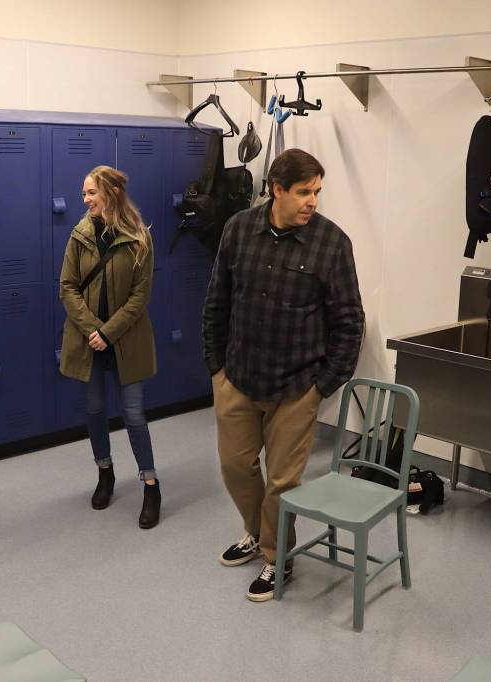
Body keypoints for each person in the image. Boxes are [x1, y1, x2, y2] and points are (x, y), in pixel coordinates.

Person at [203, 148, 365, 602]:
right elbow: (217, 303)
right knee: (235, 467)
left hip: (296, 387)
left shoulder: (332, 243)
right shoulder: (238, 230)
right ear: (276, 190)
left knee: (282, 482)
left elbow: (350, 322)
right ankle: (257, 532)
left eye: (317, 192)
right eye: (303, 192)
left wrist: (322, 387)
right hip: (238, 377)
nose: (312, 201)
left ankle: (278, 557)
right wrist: (216, 368)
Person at [59, 165, 161, 529]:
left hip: (125, 341)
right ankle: (105, 472)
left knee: (134, 416)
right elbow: (67, 287)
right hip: (90, 342)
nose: (85, 199)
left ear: (112, 194)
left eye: (92, 193)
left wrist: (109, 332)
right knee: (95, 411)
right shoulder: (79, 235)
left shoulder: (139, 238)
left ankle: (150, 485)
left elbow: (140, 297)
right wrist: (94, 330)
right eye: (84, 193)